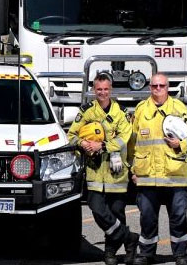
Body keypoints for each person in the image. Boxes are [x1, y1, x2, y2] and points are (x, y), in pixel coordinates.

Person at [129, 73, 187, 265]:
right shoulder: (141, 110)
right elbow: (132, 143)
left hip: (174, 175)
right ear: (149, 87)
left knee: (178, 217)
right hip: (147, 176)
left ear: (167, 87)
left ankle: (180, 255)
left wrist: (180, 143)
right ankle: (146, 254)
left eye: (161, 86)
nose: (158, 89)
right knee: (148, 219)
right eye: (154, 86)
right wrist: (132, 170)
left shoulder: (178, 108)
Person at [67, 73, 138, 265]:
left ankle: (110, 254)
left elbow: (124, 138)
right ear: (93, 90)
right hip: (95, 172)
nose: (103, 93)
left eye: (106, 89)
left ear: (111, 89)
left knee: (117, 213)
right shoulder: (87, 112)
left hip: (117, 173)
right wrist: (83, 143)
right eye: (99, 89)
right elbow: (71, 135)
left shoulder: (122, 113)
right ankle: (129, 238)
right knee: (97, 210)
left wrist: (102, 146)